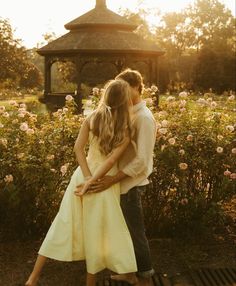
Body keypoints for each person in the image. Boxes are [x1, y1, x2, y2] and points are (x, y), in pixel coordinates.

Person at [25, 79, 138, 286]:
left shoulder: (92, 118)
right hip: (102, 183)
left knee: (63, 222)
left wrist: (86, 177)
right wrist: (92, 181)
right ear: (125, 101)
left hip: (82, 177)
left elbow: (78, 149)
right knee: (97, 230)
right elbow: (112, 160)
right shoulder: (126, 129)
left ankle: (32, 279)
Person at [82, 69, 157, 286]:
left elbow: (142, 161)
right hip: (118, 182)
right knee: (122, 231)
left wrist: (111, 180)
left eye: (126, 88)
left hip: (130, 184)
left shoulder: (143, 118)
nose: (122, 92)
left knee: (135, 233)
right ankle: (128, 273)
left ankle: (145, 277)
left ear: (137, 88)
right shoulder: (126, 112)